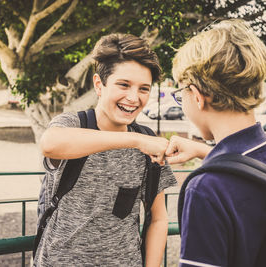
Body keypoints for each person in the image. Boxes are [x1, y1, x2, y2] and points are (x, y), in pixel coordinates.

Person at [34, 33, 178, 267]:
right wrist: (134, 141)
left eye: (144, 89)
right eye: (123, 85)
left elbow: (159, 218)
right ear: (99, 84)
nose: (133, 98)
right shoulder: (73, 124)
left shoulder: (147, 140)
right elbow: (49, 143)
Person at [166, 19, 266, 266]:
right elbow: (248, 174)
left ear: (197, 97)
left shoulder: (206, 189)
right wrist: (205, 152)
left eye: (180, 95)